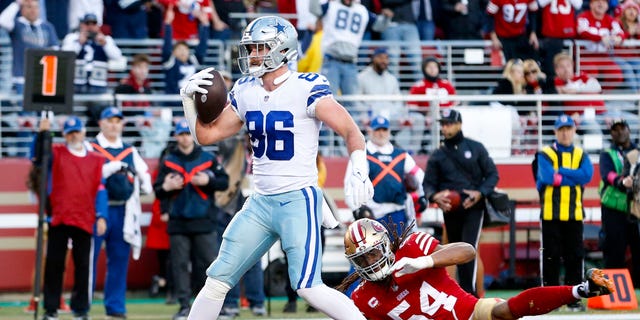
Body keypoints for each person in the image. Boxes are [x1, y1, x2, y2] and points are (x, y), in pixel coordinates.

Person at [179, 15, 373, 319]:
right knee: (216, 280)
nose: (252, 54)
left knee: (308, 287)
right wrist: (188, 102)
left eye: (259, 47)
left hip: (298, 198)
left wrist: (359, 164)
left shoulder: (307, 86)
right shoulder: (245, 90)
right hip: (259, 202)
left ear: (282, 49)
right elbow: (207, 134)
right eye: (251, 48)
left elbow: (351, 131)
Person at [340, 218, 615, 319]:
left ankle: (580, 290)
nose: (369, 263)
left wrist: (425, 261)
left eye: (372, 253)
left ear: (386, 245)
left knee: (501, 311)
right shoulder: (363, 297)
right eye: (361, 259)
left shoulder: (411, 248)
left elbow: (467, 251)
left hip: (469, 313)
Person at [154, 119, 229, 320]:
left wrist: (209, 180)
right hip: (178, 221)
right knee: (179, 266)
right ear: (176, 136)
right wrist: (166, 188)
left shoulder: (207, 157)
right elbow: (157, 189)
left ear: (193, 136)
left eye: (188, 134)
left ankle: (214, 308)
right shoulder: (168, 160)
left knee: (209, 265)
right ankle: (184, 306)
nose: (185, 138)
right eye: (181, 134)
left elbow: (224, 182)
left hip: (204, 220)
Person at [36, 116, 108, 320]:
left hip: (85, 218)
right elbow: (39, 157)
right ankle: (51, 309)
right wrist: (43, 134)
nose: (74, 135)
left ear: (83, 132)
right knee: (54, 265)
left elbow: (100, 189)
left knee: (84, 266)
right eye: (69, 132)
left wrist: (102, 215)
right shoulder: (57, 153)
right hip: (60, 217)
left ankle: (81, 309)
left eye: (76, 131)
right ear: (64, 135)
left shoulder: (96, 159)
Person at [423, 109, 499, 297]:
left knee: (469, 247)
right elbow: (428, 184)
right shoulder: (438, 154)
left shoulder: (476, 148)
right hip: (451, 209)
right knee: (455, 251)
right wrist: (435, 197)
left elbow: (492, 175)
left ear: (459, 124)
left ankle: (470, 294)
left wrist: (480, 193)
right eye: (443, 124)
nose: (445, 127)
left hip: (473, 208)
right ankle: (460, 294)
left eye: (449, 123)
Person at [91, 107, 153, 319]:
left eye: (118, 121)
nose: (114, 124)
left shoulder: (130, 151)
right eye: (109, 120)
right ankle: (83, 306)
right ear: (101, 123)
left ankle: (115, 308)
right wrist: (107, 170)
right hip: (97, 209)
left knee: (118, 260)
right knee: (88, 259)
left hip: (123, 210)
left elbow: (145, 180)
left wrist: (139, 180)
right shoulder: (91, 147)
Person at [535, 114, 594, 311]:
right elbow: (548, 177)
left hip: (574, 214)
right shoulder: (544, 153)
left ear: (574, 130)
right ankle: (550, 300)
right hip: (551, 214)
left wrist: (562, 171)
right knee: (551, 257)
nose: (565, 133)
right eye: (561, 129)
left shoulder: (581, 154)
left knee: (575, 257)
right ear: (555, 132)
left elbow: (587, 176)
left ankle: (573, 300)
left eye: (568, 129)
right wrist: (572, 177)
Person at [345, 115, 427, 238]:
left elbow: (420, 176)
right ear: (370, 131)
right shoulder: (362, 154)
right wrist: (356, 208)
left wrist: (423, 196)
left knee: (401, 254)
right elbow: (350, 183)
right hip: (373, 215)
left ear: (389, 132)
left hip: (398, 213)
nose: (381, 134)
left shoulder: (401, 155)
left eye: (384, 130)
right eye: (377, 130)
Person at [310, 0, 392, 110]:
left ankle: (349, 127)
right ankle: (325, 128)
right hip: (332, 60)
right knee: (328, 100)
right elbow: (314, 9)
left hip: (351, 63)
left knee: (352, 103)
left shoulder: (362, 10)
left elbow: (378, 26)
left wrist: (386, 18)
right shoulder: (331, 5)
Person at [599, 119, 640, 287]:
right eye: (615, 130)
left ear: (628, 130)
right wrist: (622, 182)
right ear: (611, 134)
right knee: (614, 251)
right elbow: (607, 174)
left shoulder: (637, 152)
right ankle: (612, 293)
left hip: (636, 208)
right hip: (613, 208)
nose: (620, 132)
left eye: (622, 128)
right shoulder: (607, 153)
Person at [0, 0, 59, 94]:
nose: (33, 10)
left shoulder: (47, 26)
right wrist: (17, 3)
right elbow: (2, 21)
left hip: (42, 78)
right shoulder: (17, 24)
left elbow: (56, 49)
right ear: (22, 9)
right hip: (21, 77)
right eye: (29, 7)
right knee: (25, 108)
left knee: (42, 107)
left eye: (35, 7)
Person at [61, 13, 123, 94]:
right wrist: (79, 43)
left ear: (98, 26)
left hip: (98, 84)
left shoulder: (106, 39)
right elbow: (64, 56)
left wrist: (105, 44)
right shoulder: (72, 37)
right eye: (87, 24)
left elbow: (117, 57)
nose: (90, 27)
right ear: (82, 25)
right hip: (76, 84)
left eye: (93, 24)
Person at [162, 6, 209, 95]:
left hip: (191, 101)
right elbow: (167, 47)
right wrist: (168, 24)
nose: (183, 52)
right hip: (174, 101)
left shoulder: (192, 60)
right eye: (179, 49)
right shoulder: (170, 62)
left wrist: (205, 25)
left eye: (185, 49)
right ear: (174, 52)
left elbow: (202, 47)